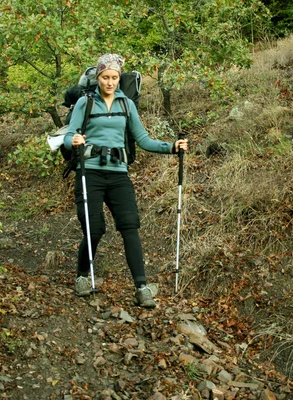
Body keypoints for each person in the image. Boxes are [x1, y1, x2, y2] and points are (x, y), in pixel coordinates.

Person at [63, 54, 188, 308]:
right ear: (97, 78)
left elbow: (142, 139)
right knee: (94, 228)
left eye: (114, 78)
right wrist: (73, 140)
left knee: (130, 226)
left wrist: (171, 147)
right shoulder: (84, 103)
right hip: (90, 172)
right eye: (105, 77)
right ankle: (82, 276)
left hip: (119, 174)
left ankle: (142, 288)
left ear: (120, 78)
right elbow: (68, 135)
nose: (110, 82)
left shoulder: (127, 104)